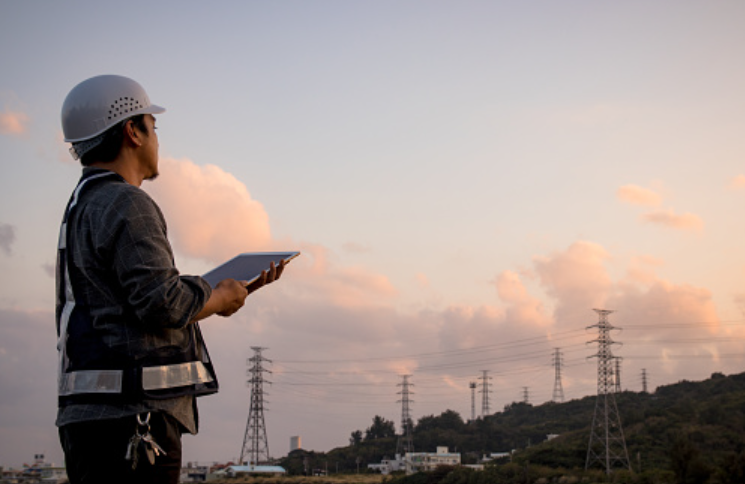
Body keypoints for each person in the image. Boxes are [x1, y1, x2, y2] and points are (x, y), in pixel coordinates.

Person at [55, 74, 282, 484]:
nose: (158, 138)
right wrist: (219, 294)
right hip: (133, 422)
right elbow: (162, 302)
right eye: (153, 126)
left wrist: (218, 298)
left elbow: (130, 305)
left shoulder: (81, 207)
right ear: (132, 131)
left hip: (91, 420)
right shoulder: (128, 202)